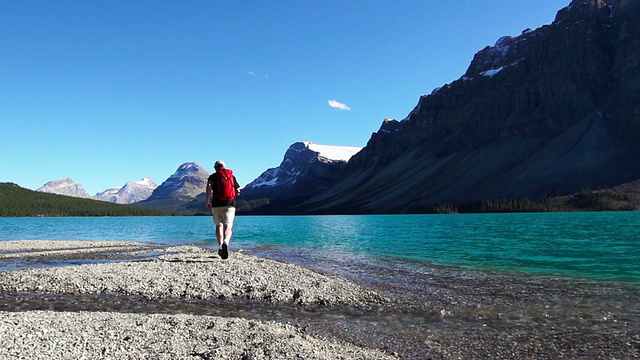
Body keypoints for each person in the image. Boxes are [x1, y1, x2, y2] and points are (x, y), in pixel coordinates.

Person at [206, 160, 241, 259]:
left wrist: (208, 200)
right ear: (224, 166)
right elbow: (238, 190)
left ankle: (221, 245)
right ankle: (226, 241)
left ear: (215, 167)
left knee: (218, 225)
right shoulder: (231, 176)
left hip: (216, 204)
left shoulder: (213, 176)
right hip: (230, 204)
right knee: (228, 225)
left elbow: (209, 187)